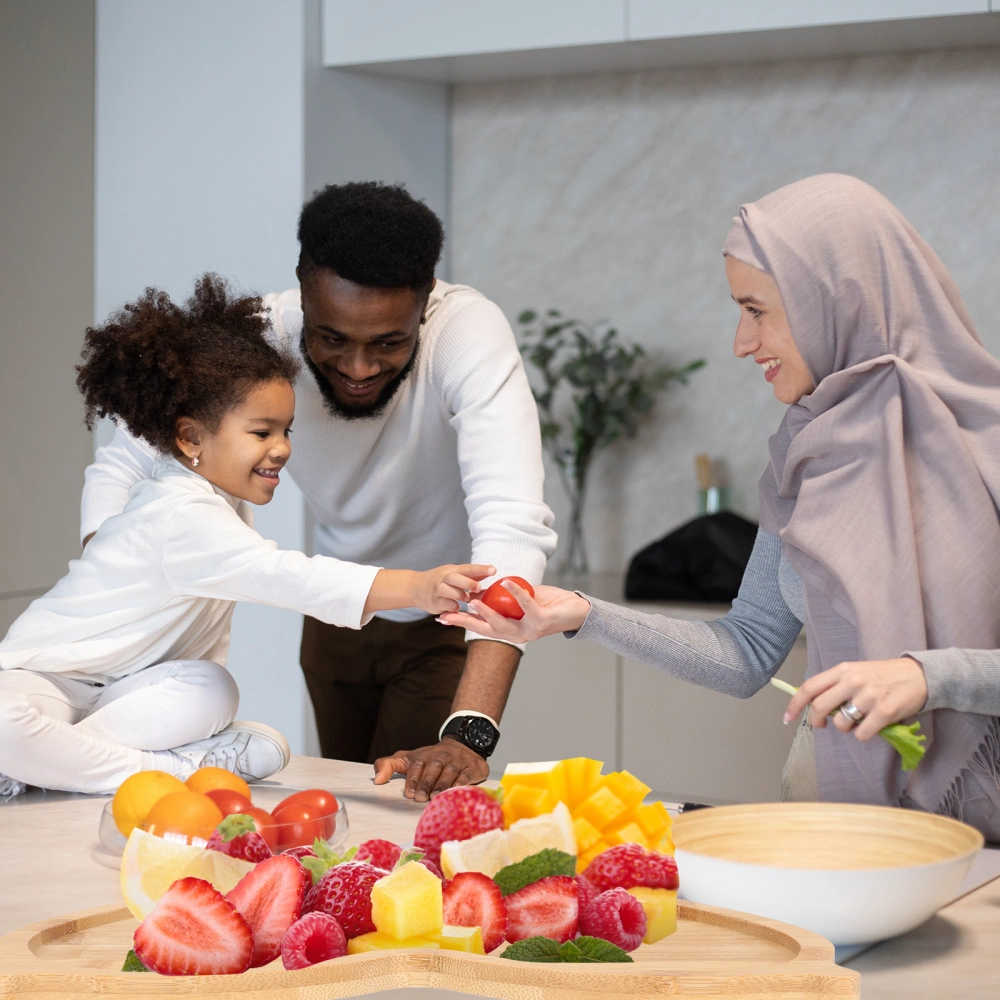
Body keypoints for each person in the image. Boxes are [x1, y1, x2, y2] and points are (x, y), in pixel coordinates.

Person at [440, 174, 1000, 840]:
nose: (740, 341)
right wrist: (584, 616)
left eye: (757, 309)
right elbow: (747, 650)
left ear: (832, 300)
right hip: (840, 826)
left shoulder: (985, 445)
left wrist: (924, 676)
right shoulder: (802, 454)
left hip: (982, 836)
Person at [79, 183, 557, 801]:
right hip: (336, 614)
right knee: (346, 802)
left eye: (389, 342)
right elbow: (124, 458)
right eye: (332, 339)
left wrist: (470, 732)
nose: (358, 368)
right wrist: (106, 593)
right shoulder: (262, 333)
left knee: (405, 811)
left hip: (451, 616)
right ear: (302, 287)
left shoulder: (467, 332)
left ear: (425, 303)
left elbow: (512, 523)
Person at [0, 276, 491, 798]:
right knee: (6, 722)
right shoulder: (180, 513)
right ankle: (170, 772)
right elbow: (287, 576)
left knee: (209, 687)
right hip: (47, 680)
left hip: (123, 691)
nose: (281, 448)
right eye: (262, 433)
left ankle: (46, 765)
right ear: (190, 437)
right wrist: (416, 587)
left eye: (286, 431)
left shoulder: (218, 499)